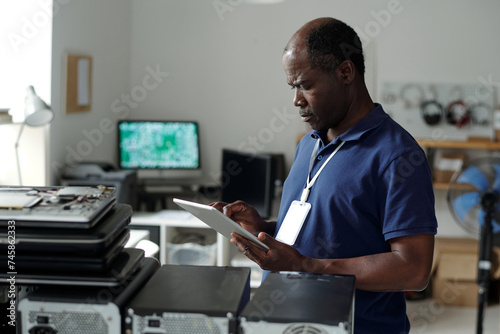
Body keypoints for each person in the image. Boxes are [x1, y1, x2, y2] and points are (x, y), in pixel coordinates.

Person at [212, 17, 437, 334]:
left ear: (346, 72)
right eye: (293, 88)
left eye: (305, 85)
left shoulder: (398, 156)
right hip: (290, 321)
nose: (296, 100)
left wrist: (305, 266)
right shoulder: (310, 142)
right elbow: (329, 229)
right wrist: (263, 230)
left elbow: (413, 269)